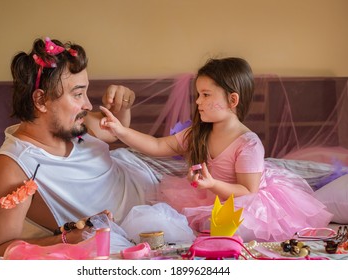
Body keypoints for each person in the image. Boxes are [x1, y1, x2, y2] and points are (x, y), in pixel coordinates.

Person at [100, 57, 334, 242]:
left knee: (239, 227)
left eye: (206, 95)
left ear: (232, 100)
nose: (198, 102)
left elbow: (248, 191)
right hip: (210, 195)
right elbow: (159, 145)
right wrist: (120, 131)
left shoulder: (248, 143)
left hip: (242, 198)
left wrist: (212, 184)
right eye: (198, 95)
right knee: (174, 221)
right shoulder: (199, 133)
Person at [0, 37, 159, 257]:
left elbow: (115, 130)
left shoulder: (74, 122)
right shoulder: (13, 166)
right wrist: (65, 239)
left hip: (152, 175)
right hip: (136, 225)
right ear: (40, 100)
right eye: (77, 94)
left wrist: (123, 104)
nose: (88, 104)